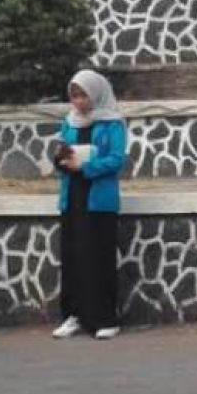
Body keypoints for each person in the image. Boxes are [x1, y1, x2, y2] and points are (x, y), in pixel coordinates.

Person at [51, 70, 127, 341]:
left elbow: (117, 159)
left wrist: (85, 165)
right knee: (72, 257)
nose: (79, 102)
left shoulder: (113, 123)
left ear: (96, 94)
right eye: (74, 96)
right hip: (72, 198)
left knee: (98, 257)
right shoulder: (69, 123)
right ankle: (74, 315)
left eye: (83, 95)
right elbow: (59, 153)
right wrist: (60, 159)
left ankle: (105, 318)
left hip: (99, 200)